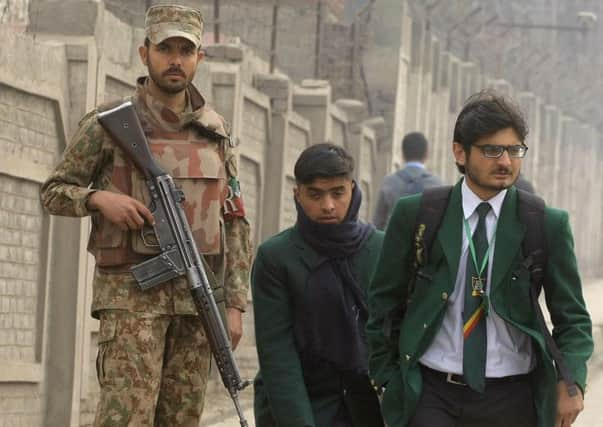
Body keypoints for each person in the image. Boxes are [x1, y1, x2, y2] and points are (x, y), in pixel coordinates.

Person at [40, 4, 251, 426]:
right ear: (144, 53)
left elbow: (234, 221)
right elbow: (53, 192)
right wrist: (99, 199)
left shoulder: (216, 132)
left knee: (181, 421)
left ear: (199, 59)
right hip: (130, 303)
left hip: (197, 304)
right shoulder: (108, 125)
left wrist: (235, 305)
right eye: (165, 48)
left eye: (185, 51)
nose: (175, 60)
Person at [366, 91, 593, 427]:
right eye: (491, 150)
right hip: (431, 393)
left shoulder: (545, 224)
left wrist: (570, 381)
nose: (505, 161)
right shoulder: (419, 214)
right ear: (460, 151)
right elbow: (382, 305)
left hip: (513, 399)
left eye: (514, 150)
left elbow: (573, 319)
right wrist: (388, 381)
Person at [252, 143, 385, 427]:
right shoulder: (276, 258)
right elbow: (278, 354)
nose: (328, 205)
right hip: (299, 405)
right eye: (315, 194)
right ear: (297, 194)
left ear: (353, 189)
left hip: (369, 407)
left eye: (338, 193)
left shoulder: (381, 250)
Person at [372, 131, 442, 230]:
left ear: (403, 153)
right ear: (426, 154)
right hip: (425, 244)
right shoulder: (438, 186)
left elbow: (377, 224)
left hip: (393, 242)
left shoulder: (389, 182)